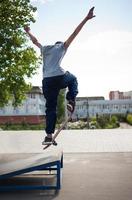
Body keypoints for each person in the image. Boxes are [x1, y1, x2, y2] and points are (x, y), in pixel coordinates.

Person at [24, 7, 95, 145]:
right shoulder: (62, 46)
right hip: (58, 77)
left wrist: (28, 31)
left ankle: (49, 136)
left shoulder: (45, 48)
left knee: (50, 108)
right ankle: (71, 101)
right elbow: (75, 33)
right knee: (73, 79)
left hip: (46, 82)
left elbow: (35, 41)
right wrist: (86, 19)